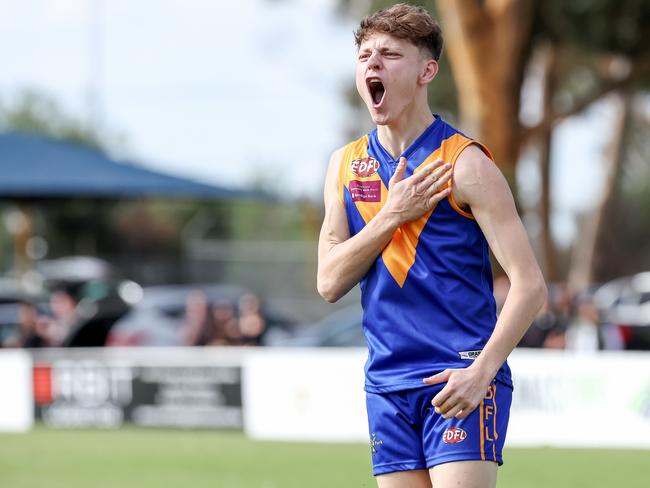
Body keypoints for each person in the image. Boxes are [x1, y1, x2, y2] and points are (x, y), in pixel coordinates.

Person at [316, 4, 546, 487]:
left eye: (390, 55)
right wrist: (393, 214)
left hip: (458, 377)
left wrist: (482, 373)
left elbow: (530, 287)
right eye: (365, 55)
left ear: (427, 71)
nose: (372, 64)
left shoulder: (465, 164)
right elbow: (329, 281)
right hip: (387, 385)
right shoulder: (344, 165)